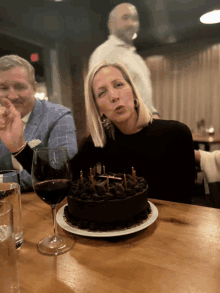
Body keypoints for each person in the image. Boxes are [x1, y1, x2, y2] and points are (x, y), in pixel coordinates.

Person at [0, 62, 195, 203]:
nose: (114, 96)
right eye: (102, 93)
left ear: (133, 91)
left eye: (119, 85)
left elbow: (186, 204)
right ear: (98, 108)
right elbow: (57, 178)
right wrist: (18, 147)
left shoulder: (176, 134)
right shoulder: (98, 143)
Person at [0, 55, 78, 191]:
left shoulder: (59, 116)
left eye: (20, 87)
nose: (12, 96)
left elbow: (60, 172)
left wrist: (4, 181)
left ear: (34, 88)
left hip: (43, 202)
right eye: (3, 88)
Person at [89, 3, 160, 119]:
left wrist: (154, 113)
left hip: (147, 124)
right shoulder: (103, 53)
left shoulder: (136, 57)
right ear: (111, 24)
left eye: (135, 19)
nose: (132, 23)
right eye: (125, 18)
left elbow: (145, 97)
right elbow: (98, 100)